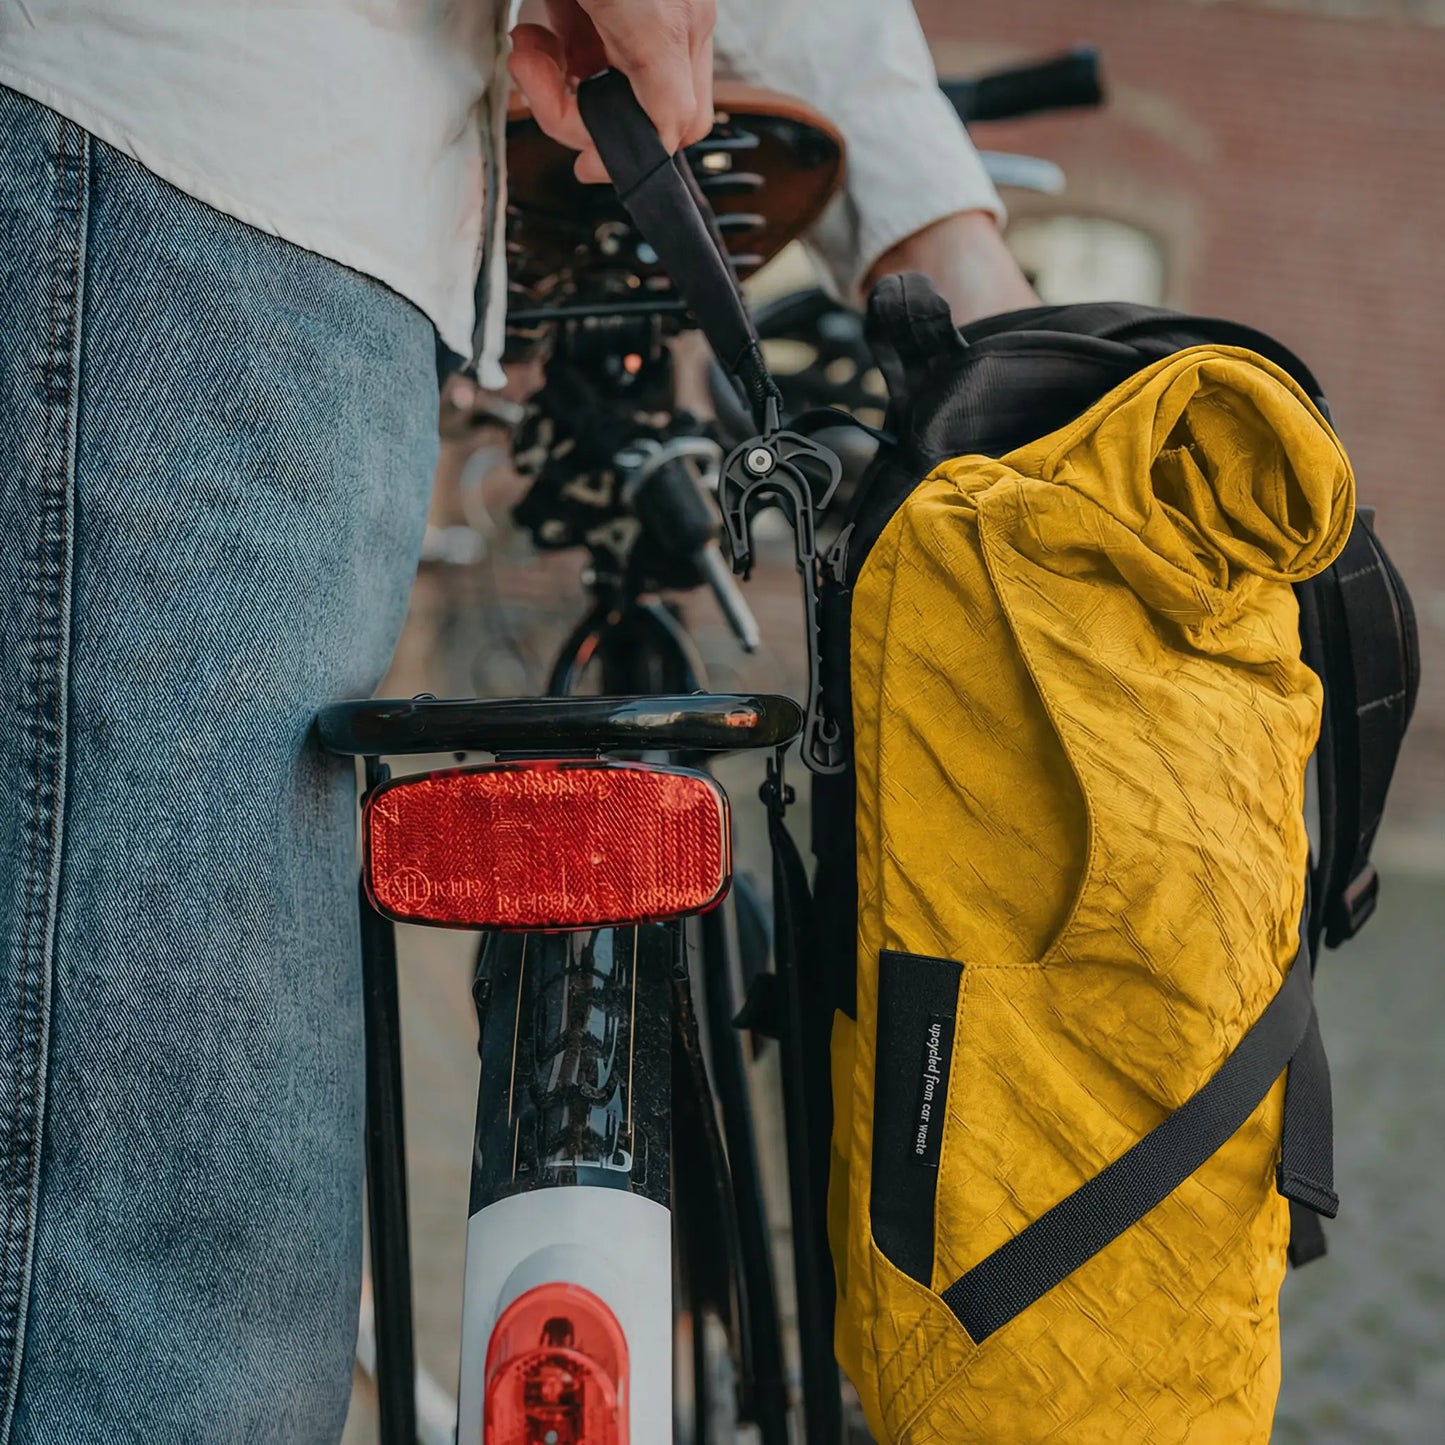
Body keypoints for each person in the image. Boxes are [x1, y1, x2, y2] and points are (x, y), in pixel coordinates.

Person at [0, 1, 1033, 1438]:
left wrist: (929, 217)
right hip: (204, 158)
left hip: (305, 215)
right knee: (172, 1278)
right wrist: (952, 257)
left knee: (211, 1239)